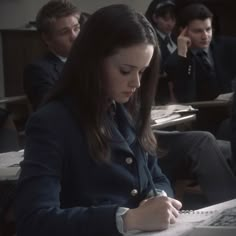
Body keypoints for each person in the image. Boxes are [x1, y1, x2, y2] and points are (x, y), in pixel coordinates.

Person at [16, 4, 182, 236]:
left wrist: (159, 199)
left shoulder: (127, 109)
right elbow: (33, 220)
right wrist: (128, 218)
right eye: (125, 70)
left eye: (142, 71)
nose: (136, 83)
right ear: (92, 62)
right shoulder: (51, 121)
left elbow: (157, 177)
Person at [165, 3, 236, 103]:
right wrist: (183, 54)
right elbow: (185, 98)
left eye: (208, 29)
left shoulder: (230, 46)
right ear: (183, 31)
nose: (205, 36)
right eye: (198, 31)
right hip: (202, 115)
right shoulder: (175, 61)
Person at [23, 0, 80, 111]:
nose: (74, 37)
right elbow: (53, 111)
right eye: (64, 32)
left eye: (76, 28)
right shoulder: (37, 70)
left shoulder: (88, 60)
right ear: (47, 38)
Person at [145, 0, 177, 104]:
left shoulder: (176, 38)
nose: (170, 24)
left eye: (173, 19)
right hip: (160, 92)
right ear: (155, 18)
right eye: (166, 19)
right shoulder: (151, 39)